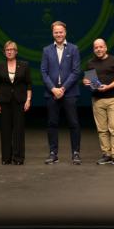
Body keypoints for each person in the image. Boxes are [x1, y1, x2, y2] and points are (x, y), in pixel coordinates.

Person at [40, 21, 82, 165]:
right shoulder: (46, 50)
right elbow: (43, 72)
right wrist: (53, 89)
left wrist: (63, 89)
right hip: (52, 93)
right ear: (53, 33)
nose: (58, 34)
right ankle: (53, 153)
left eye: (61, 32)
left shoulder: (74, 49)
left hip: (69, 92)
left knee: (73, 123)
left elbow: (76, 72)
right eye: (56, 32)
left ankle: (76, 153)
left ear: (65, 33)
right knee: (52, 123)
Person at [82, 38, 114, 167]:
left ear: (105, 48)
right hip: (97, 100)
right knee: (102, 129)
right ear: (94, 49)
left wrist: (109, 86)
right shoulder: (90, 63)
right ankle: (106, 154)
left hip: (112, 99)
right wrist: (85, 81)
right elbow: (88, 80)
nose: (99, 49)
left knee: (113, 128)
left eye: (101, 47)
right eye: (96, 47)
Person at [0, 41, 32, 165]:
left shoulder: (24, 65)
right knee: (5, 130)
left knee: (19, 130)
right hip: (4, 101)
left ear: (16, 51)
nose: (9, 52)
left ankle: (19, 158)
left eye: (12, 49)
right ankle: (6, 158)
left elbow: (29, 84)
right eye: (7, 50)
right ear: (4, 52)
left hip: (20, 101)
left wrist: (28, 100)